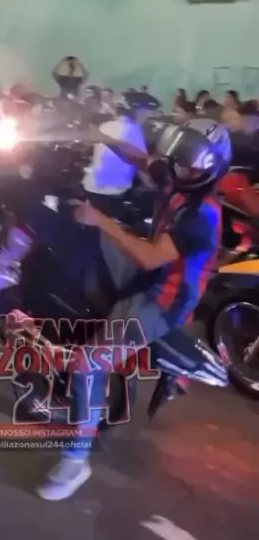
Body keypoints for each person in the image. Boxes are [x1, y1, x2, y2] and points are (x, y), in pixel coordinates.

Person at [36, 117, 231, 501]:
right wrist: (96, 135)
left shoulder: (201, 215)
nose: (180, 167)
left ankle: (76, 461)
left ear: (209, 169)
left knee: (88, 365)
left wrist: (101, 220)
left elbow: (149, 257)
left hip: (162, 300)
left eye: (190, 163)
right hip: (151, 278)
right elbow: (140, 159)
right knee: (81, 252)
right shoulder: (178, 180)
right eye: (180, 159)